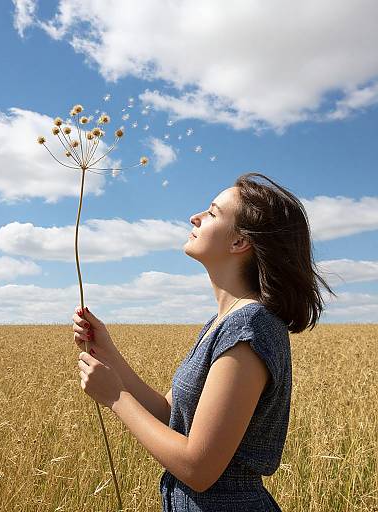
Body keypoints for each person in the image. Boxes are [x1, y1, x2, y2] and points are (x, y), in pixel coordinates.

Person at [72, 172, 337, 511]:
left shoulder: (250, 326)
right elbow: (170, 415)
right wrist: (109, 353)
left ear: (240, 242)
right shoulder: (222, 322)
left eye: (212, 213)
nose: (194, 217)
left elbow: (199, 469)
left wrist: (116, 397)